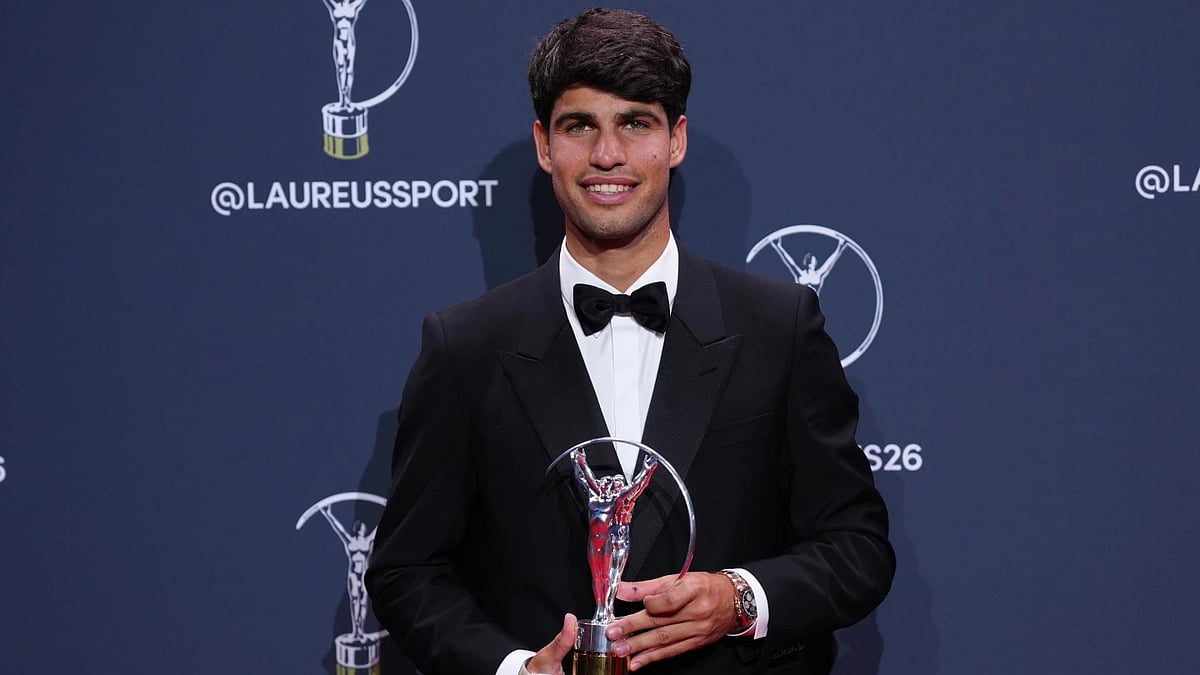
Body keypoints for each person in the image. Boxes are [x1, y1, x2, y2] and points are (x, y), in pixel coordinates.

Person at [366, 8, 894, 675]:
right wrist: (512, 669)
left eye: (634, 123)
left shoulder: (780, 326)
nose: (606, 155)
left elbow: (858, 547)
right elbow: (407, 571)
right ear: (543, 145)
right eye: (579, 126)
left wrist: (739, 597)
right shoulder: (463, 347)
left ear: (675, 140)